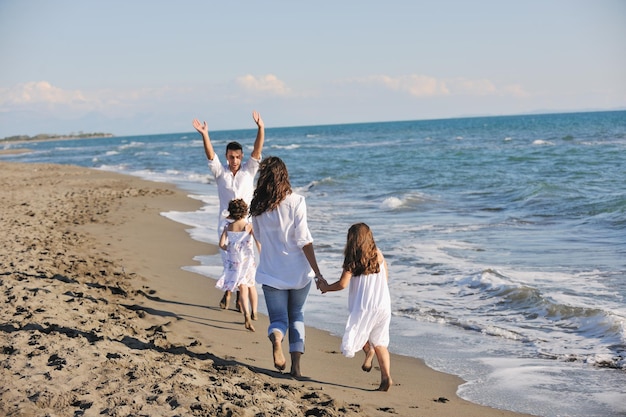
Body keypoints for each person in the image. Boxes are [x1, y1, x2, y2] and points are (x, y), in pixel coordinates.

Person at [249, 156, 323, 378]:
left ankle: (277, 339)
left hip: (271, 272)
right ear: (284, 176)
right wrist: (318, 273)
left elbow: (259, 236)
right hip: (298, 272)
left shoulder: (258, 207)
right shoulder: (297, 201)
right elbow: (304, 240)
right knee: (297, 315)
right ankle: (296, 367)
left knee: (279, 320)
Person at [192, 111, 265, 310]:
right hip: (225, 224)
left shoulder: (249, 170)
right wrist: (205, 135)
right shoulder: (220, 172)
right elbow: (210, 156)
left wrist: (261, 128)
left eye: (238, 157)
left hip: (247, 225)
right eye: (231, 157)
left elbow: (257, 152)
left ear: (241, 157)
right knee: (230, 260)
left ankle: (236, 295)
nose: (234, 160)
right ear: (227, 156)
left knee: (246, 260)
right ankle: (230, 292)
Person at [317, 223, 393, 391]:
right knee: (380, 342)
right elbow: (385, 277)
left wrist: (326, 288)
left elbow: (343, 284)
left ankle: (369, 352)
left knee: (359, 330)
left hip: (363, 306)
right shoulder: (378, 255)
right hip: (383, 304)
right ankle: (386, 377)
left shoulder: (352, 260)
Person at [217, 199, 260, 331]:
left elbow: (221, 244)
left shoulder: (228, 227)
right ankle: (255, 312)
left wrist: (229, 249)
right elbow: (258, 242)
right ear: (245, 212)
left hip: (234, 261)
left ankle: (246, 314)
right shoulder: (249, 226)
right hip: (247, 260)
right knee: (251, 285)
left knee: (242, 287)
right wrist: (262, 253)